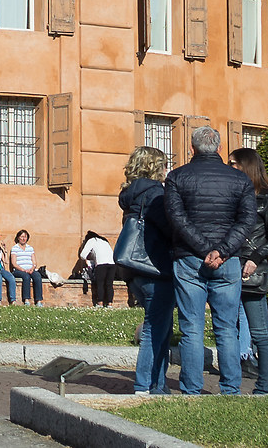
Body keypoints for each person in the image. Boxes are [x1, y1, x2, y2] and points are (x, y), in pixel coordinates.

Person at [162, 126, 257, 398]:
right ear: (220, 148)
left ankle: (192, 389)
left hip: (190, 257)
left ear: (191, 149)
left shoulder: (177, 177)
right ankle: (230, 388)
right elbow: (247, 221)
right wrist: (222, 250)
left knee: (191, 327)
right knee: (227, 328)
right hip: (227, 260)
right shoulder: (240, 179)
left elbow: (177, 219)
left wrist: (206, 249)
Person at [117, 146, 171, 397]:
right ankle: (144, 385)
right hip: (155, 268)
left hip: (134, 269)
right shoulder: (155, 193)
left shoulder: (129, 194)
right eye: (164, 165)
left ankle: (159, 385)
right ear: (155, 167)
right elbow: (168, 228)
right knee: (154, 329)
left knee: (161, 328)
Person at [229, 148, 268, 396]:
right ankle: (230, 386)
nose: (229, 167)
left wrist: (255, 257)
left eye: (233, 163)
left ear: (246, 165)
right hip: (228, 266)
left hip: (252, 270)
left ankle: (264, 387)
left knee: (260, 331)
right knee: (226, 329)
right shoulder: (232, 195)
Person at [71, 228, 114, 308]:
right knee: (109, 284)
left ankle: (100, 303)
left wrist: (88, 260)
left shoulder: (92, 241)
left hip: (101, 264)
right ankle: (110, 304)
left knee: (100, 283)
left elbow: (82, 255)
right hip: (112, 264)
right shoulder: (104, 241)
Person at [9, 231, 43, 306]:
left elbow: (34, 262)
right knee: (26, 277)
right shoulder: (15, 248)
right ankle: (26, 300)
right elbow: (14, 263)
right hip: (19, 270)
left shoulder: (30, 248)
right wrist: (23, 270)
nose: (23, 239)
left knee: (37, 276)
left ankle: (38, 300)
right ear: (18, 238)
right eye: (22, 237)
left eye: (25, 237)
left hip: (30, 269)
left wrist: (32, 268)